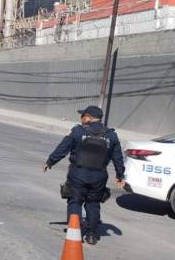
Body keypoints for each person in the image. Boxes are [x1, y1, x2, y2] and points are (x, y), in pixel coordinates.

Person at [44, 105, 125, 245]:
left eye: (82, 116)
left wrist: (50, 161)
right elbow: (117, 157)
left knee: (75, 202)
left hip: (78, 174)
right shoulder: (111, 135)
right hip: (99, 176)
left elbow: (62, 149)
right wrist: (120, 175)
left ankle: (74, 233)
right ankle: (92, 235)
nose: (81, 118)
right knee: (93, 204)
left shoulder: (77, 131)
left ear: (88, 117)